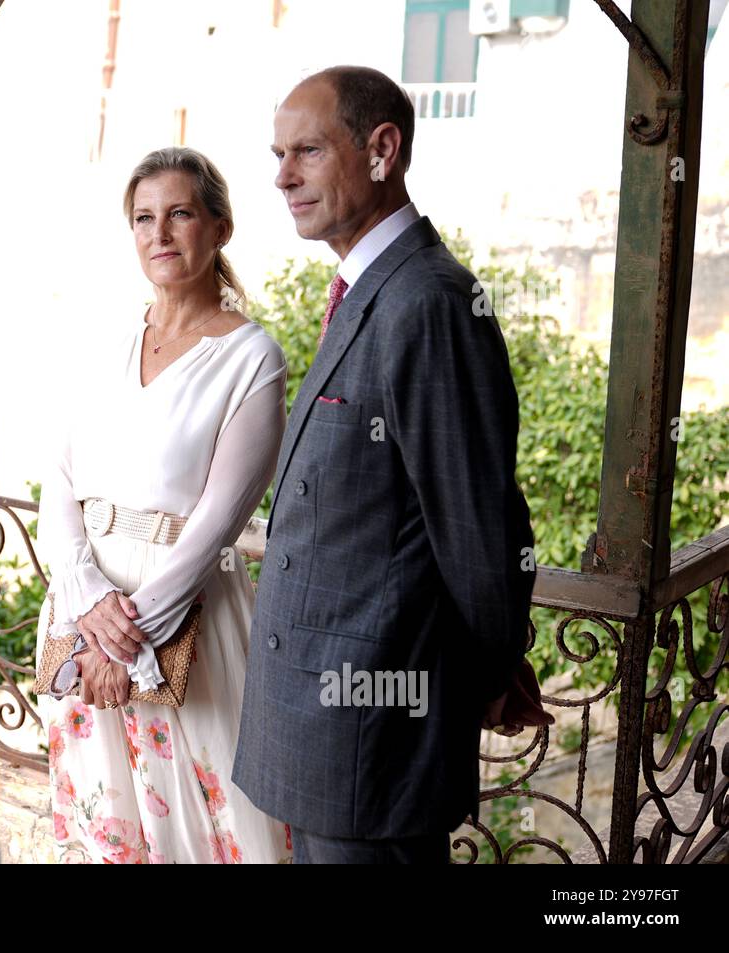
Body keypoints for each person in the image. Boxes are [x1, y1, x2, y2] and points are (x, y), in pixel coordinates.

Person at [232, 66, 537, 864]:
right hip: (326, 734)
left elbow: (480, 531)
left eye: (305, 151)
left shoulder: (429, 303)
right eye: (277, 154)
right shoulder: (372, 289)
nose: (282, 176)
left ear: (381, 149)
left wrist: (494, 669)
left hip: (374, 742)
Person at [36, 146, 292, 864]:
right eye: (144, 218)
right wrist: (88, 603)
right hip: (86, 616)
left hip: (185, 624)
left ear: (219, 227)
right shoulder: (105, 343)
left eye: (180, 213)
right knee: (106, 822)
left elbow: (221, 518)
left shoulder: (252, 358)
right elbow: (58, 478)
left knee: (209, 825)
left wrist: (132, 633)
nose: (160, 232)